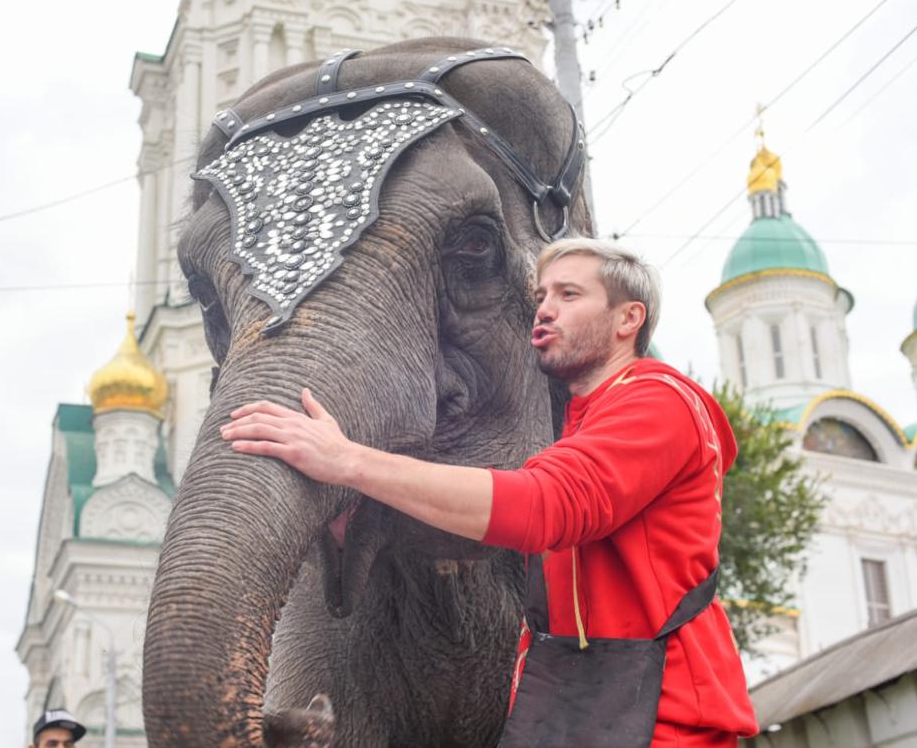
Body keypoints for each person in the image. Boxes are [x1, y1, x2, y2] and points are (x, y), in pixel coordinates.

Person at [220, 238, 758, 747]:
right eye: (542, 296)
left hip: (661, 716)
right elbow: (496, 510)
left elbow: (546, 506)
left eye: (569, 295)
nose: (544, 309)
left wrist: (349, 461)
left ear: (628, 318)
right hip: (583, 709)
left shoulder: (659, 401)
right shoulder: (582, 423)